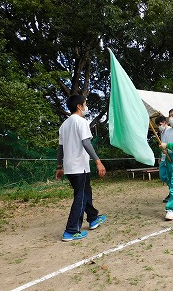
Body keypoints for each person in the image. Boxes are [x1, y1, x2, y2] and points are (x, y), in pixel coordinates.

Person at [56, 95, 106, 241]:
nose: (86, 107)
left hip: (70, 168)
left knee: (84, 193)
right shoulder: (81, 121)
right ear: (79, 106)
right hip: (79, 167)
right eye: (85, 104)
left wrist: (59, 166)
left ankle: (93, 218)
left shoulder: (64, 125)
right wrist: (98, 161)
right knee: (81, 196)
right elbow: (86, 143)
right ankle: (71, 230)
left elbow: (60, 148)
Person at [155, 115, 171, 203]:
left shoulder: (170, 130)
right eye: (157, 125)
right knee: (163, 175)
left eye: (160, 124)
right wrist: (161, 157)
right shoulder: (162, 132)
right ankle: (172, 192)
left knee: (171, 176)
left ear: (165, 123)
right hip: (164, 157)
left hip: (170, 156)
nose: (159, 126)